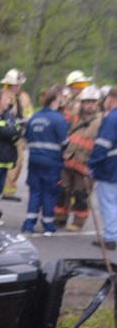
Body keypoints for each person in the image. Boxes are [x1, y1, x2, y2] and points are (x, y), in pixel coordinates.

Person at [22, 86, 69, 236]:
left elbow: (26, 138)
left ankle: (29, 224)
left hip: (34, 160)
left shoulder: (34, 117)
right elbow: (64, 142)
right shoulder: (58, 118)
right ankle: (48, 225)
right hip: (51, 162)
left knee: (35, 192)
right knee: (49, 193)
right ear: (55, 101)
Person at [59, 86, 103, 231]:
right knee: (62, 190)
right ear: (82, 103)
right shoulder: (74, 117)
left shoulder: (101, 121)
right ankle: (60, 218)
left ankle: (78, 222)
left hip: (85, 165)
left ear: (97, 103)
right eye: (87, 102)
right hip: (68, 161)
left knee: (81, 195)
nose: (89, 105)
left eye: (92, 102)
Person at [0, 69, 34, 202]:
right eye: (15, 85)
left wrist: (28, 120)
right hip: (6, 134)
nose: (18, 87)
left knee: (18, 162)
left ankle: (9, 191)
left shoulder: (24, 97)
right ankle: (5, 190)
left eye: (19, 85)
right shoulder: (3, 96)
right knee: (8, 163)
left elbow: (29, 112)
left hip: (20, 134)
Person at [89, 89, 117, 250]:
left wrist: (92, 163)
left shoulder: (111, 118)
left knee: (108, 203)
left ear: (111, 98)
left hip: (110, 167)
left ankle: (110, 237)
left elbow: (103, 144)